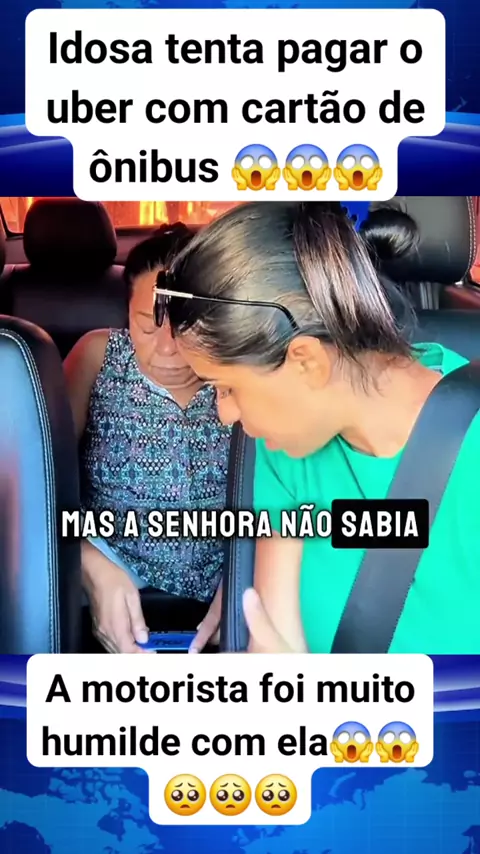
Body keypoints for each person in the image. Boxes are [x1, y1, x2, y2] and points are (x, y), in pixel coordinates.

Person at [155, 201, 480, 655]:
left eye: (225, 388)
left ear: (306, 362)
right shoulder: (284, 447)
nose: (224, 415)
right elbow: (275, 642)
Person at [64, 223, 232, 654]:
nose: (167, 347)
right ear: (126, 316)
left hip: (228, 577)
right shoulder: (97, 356)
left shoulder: (241, 370)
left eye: (187, 326)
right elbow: (39, 481)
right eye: (146, 325)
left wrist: (249, 574)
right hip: (109, 565)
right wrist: (87, 562)